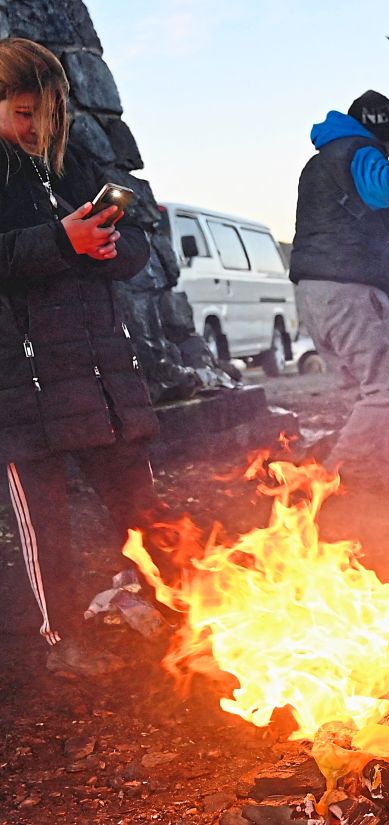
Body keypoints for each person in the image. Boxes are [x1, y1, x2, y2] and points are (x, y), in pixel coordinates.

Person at [0, 39, 163, 675]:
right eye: (21, 113)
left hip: (97, 372)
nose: (38, 128)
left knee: (140, 502)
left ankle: (181, 605)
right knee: (46, 523)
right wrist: (59, 241)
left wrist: (106, 247)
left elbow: (137, 250)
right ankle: (58, 638)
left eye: (50, 113)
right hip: (19, 379)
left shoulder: (73, 166)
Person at [289, 90, 389, 484]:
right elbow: (386, 188)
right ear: (384, 135)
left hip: (312, 292)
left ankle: (368, 484)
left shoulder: (320, 161)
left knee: (359, 392)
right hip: (350, 293)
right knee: (385, 390)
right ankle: (328, 481)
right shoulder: (358, 150)